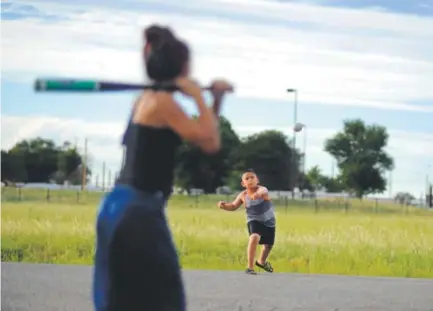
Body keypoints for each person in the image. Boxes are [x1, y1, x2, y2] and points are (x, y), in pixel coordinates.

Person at [92, 24, 234, 311]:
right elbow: (211, 142)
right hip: (139, 211)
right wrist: (197, 95)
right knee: (164, 301)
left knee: (122, 301)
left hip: (117, 207)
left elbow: (202, 136)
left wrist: (214, 102)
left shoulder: (146, 99)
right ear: (181, 68)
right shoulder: (164, 103)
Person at [217, 169, 276, 275]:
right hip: (253, 219)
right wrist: (224, 206)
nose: (250, 180)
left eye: (252, 177)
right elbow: (233, 206)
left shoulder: (262, 189)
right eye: (247, 178)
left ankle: (261, 262)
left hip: (269, 220)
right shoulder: (243, 195)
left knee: (268, 245)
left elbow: (262, 192)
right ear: (243, 183)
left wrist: (258, 194)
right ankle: (250, 267)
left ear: (257, 180)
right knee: (254, 237)